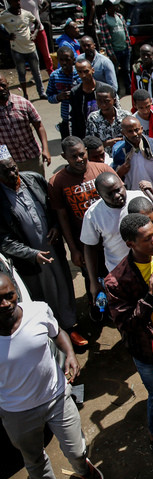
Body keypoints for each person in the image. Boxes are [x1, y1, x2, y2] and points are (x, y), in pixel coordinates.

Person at [0, 273, 104, 479]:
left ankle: (83, 468)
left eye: (9, 296)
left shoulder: (38, 311)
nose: (5, 304)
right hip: (16, 412)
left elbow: (57, 333)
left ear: (16, 290)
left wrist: (69, 354)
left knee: (76, 449)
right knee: (33, 458)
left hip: (56, 396)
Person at [0, 145, 85, 347]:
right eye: (5, 171)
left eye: (13, 168)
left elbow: (54, 208)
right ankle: (50, 335)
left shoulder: (33, 179)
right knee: (40, 296)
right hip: (28, 261)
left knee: (63, 287)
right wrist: (31, 254)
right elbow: (3, 240)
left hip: (52, 248)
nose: (12, 173)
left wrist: (56, 227)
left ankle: (70, 328)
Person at [104, 212, 153, 460]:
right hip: (147, 350)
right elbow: (128, 325)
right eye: (147, 239)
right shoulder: (116, 281)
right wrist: (152, 295)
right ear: (130, 244)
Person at [49, 137, 115, 298]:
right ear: (65, 157)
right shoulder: (57, 182)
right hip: (86, 244)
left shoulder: (102, 169)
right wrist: (73, 249)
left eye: (81, 154)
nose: (79, 160)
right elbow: (62, 218)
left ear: (86, 151)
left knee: (115, 277)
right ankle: (97, 309)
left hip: (111, 240)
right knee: (92, 279)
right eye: (74, 156)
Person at [80, 172, 146, 299]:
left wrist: (152, 195)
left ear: (122, 183)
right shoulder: (93, 214)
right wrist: (93, 282)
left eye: (118, 190)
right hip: (120, 273)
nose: (116, 196)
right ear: (100, 195)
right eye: (109, 194)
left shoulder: (139, 198)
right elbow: (89, 247)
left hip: (148, 265)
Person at [0, 72, 50, 176]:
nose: (0, 89)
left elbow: (39, 125)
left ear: (7, 84)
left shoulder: (23, 103)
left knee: (39, 187)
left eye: (3, 85)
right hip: (10, 162)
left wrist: (45, 149)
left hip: (32, 157)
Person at [112, 116, 153, 195]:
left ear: (141, 129)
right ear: (123, 133)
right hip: (134, 197)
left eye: (136, 130)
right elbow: (114, 179)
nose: (134, 134)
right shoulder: (120, 152)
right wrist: (120, 172)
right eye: (130, 131)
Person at [0, 0, 46, 100]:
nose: (18, 3)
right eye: (15, 1)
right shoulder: (4, 15)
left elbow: (37, 23)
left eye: (19, 1)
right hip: (17, 49)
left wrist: (35, 34)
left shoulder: (26, 13)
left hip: (31, 48)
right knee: (21, 73)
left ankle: (41, 92)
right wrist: (6, 37)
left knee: (36, 72)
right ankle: (25, 94)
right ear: (10, 2)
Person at [70, 59, 118, 139]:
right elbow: (73, 118)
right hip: (85, 135)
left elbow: (117, 111)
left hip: (108, 135)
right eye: (80, 72)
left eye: (86, 71)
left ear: (92, 70)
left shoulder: (106, 89)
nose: (83, 75)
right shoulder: (75, 92)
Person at [96, 0, 131, 94]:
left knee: (126, 70)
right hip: (115, 51)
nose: (115, 8)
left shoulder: (119, 16)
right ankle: (117, 90)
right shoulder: (104, 20)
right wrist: (111, 54)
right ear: (108, 8)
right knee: (115, 72)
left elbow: (125, 31)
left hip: (125, 48)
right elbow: (106, 39)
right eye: (112, 6)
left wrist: (128, 45)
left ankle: (128, 89)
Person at [86, 85, 131, 154]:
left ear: (114, 100)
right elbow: (90, 144)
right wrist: (106, 144)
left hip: (126, 157)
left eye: (107, 101)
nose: (103, 105)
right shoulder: (93, 118)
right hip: (103, 159)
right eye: (99, 101)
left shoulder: (126, 116)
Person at [47, 46, 79, 140]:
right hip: (66, 118)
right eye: (61, 60)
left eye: (67, 60)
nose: (64, 63)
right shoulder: (55, 76)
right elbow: (49, 96)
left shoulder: (80, 73)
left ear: (73, 59)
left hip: (81, 117)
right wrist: (58, 97)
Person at [20, 0, 53, 75]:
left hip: (39, 29)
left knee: (46, 54)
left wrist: (38, 13)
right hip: (27, 31)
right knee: (31, 56)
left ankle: (50, 72)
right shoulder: (18, 1)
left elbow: (46, 3)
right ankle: (34, 75)